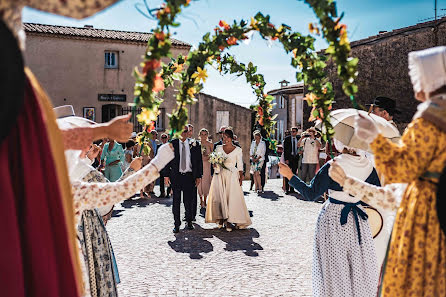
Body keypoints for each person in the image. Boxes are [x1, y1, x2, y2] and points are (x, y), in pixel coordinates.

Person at [354, 46, 446, 297]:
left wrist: (374, 138)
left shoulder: (432, 116)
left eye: (418, 75)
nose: (415, 82)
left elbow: (403, 170)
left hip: (427, 205)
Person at [279, 139, 381, 297]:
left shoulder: (334, 165)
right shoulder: (368, 166)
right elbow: (374, 198)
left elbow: (311, 194)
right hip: (358, 221)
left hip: (334, 219)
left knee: (335, 270)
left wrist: (290, 176)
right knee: (360, 269)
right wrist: (354, 196)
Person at [206, 129, 252, 231]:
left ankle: (229, 221)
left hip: (232, 176)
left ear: (231, 138)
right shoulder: (218, 148)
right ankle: (221, 218)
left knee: (231, 198)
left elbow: (240, 164)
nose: (225, 139)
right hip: (220, 175)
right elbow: (215, 162)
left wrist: (241, 176)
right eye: (224, 137)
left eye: (227, 137)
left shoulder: (238, 150)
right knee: (220, 197)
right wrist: (214, 164)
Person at [162, 126, 203, 233]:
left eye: (186, 131)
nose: (184, 133)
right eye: (182, 131)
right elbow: (166, 160)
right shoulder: (172, 144)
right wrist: (166, 176)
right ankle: (176, 224)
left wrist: (199, 176)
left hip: (189, 176)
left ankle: (189, 221)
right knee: (176, 201)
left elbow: (199, 162)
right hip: (176, 176)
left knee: (188, 201)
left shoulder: (195, 144)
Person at [198, 128, 213, 208]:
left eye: (205, 134)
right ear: (199, 135)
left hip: (207, 166)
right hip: (199, 166)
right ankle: (200, 199)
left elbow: (213, 155)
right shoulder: (197, 143)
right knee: (199, 183)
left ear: (207, 135)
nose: (203, 136)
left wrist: (208, 157)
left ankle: (205, 199)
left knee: (206, 182)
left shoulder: (210, 144)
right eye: (202, 134)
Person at [283, 126, 301, 193]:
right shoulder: (287, 139)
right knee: (287, 173)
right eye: (291, 131)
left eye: (293, 131)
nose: (292, 133)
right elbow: (285, 150)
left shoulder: (299, 138)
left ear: (296, 132)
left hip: (295, 158)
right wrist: (286, 159)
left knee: (293, 174)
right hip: (289, 158)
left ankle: (292, 188)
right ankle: (287, 189)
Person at [158, 133, 170, 198]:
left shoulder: (170, 145)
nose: (164, 139)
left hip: (168, 165)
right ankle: (162, 193)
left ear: (167, 138)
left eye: (165, 138)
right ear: (161, 139)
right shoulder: (159, 146)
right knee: (161, 180)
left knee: (169, 180)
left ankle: (168, 193)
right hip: (161, 165)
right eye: (163, 138)